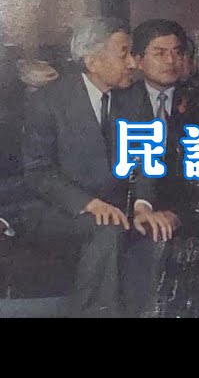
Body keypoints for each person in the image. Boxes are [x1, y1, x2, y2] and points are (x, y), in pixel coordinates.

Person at [21, 16, 176, 317]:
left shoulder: (134, 100)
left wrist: (143, 206)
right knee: (106, 230)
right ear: (92, 61)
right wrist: (89, 204)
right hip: (59, 210)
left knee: (155, 230)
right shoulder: (48, 101)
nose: (133, 63)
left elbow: (145, 162)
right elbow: (39, 172)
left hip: (117, 209)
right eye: (124, 54)